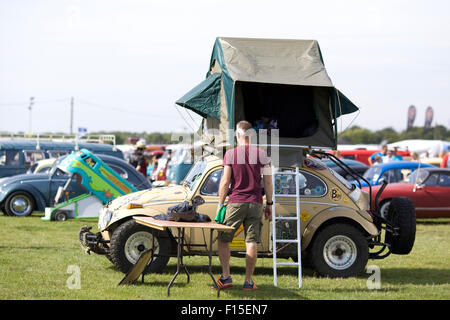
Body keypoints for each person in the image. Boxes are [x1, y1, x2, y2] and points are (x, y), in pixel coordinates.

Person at [215, 120, 273, 291]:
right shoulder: (263, 154)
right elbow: (268, 183)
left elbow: (225, 182)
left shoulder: (231, 154)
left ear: (238, 135)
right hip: (256, 202)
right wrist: (269, 203)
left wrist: (220, 203)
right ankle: (248, 281)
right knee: (251, 241)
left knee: (223, 239)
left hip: (236, 201)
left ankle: (226, 277)